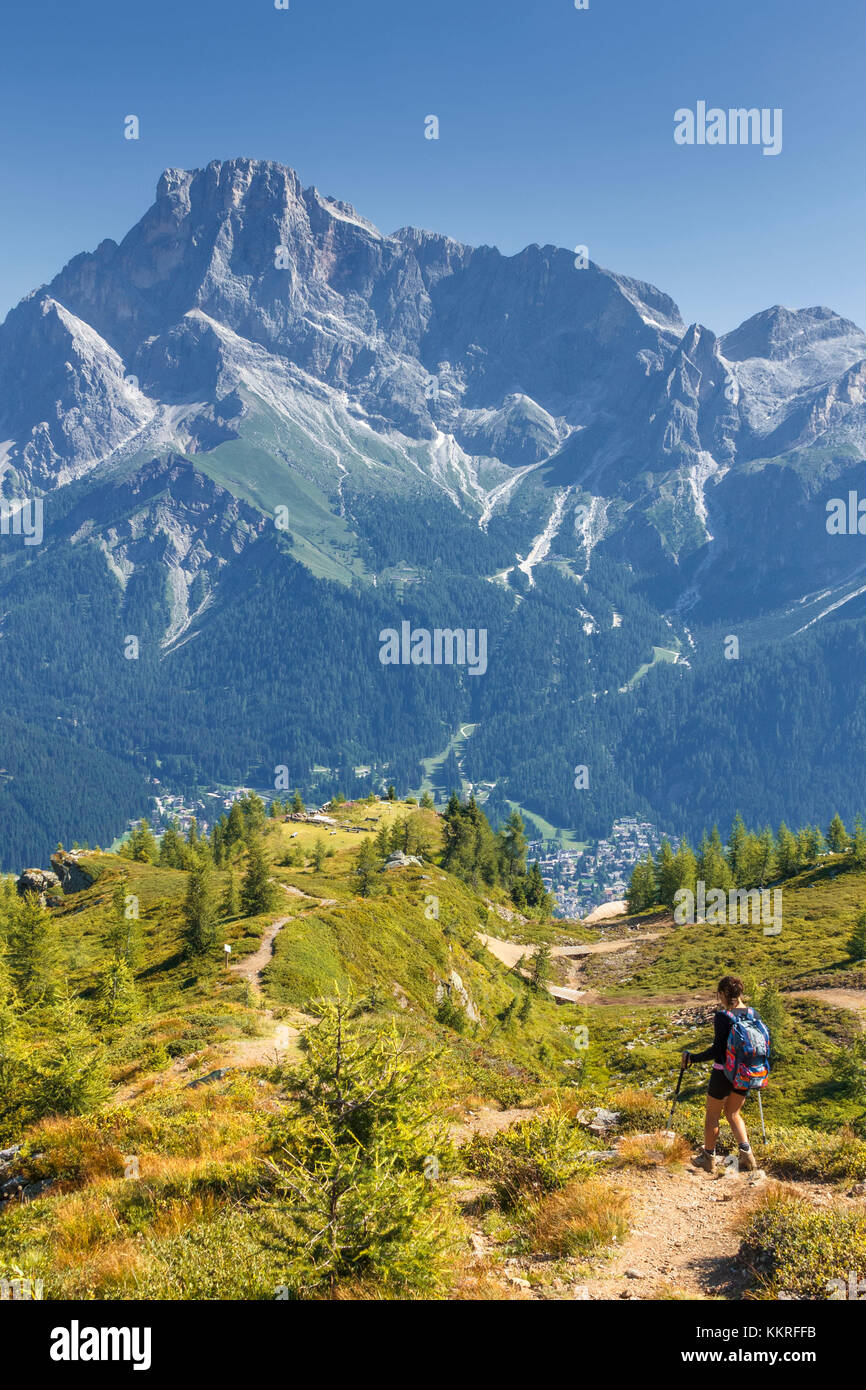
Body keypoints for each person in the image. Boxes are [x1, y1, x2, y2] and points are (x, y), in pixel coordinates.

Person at [682, 974, 758, 1173]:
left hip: (723, 1072)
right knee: (733, 1113)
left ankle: (708, 1158)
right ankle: (747, 1156)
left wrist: (692, 1058)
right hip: (745, 1074)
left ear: (724, 994)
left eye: (719, 994)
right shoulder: (753, 1014)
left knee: (712, 1116)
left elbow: (717, 1051)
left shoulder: (723, 1016)